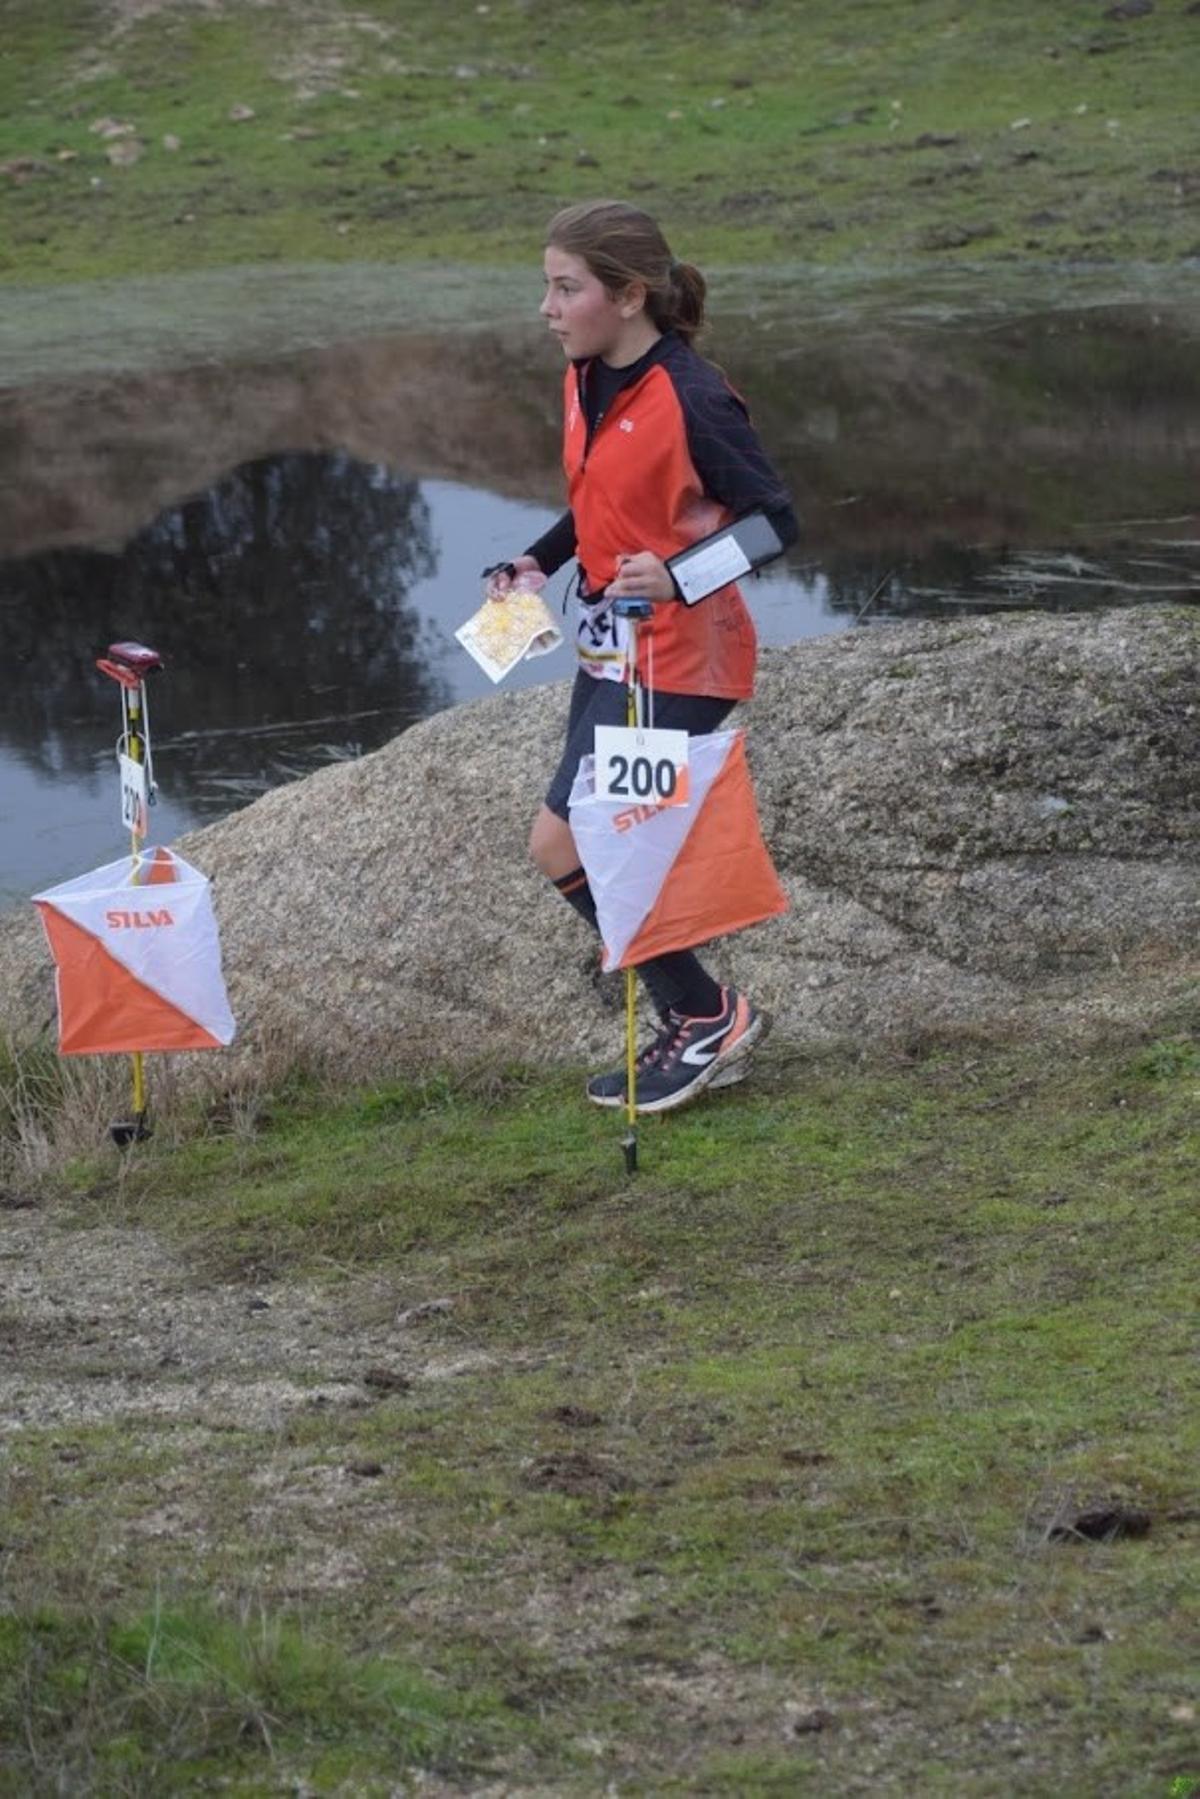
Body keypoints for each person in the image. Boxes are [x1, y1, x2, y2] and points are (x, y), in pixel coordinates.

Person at [488, 199, 798, 1115]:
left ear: (628, 297)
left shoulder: (694, 396)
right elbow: (597, 500)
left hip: (687, 662)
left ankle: (705, 1017)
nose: (547, 306)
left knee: (584, 840)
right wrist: (537, 563)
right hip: (611, 657)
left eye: (565, 287)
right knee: (565, 843)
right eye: (546, 285)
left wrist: (680, 577)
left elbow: (778, 521)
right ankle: (704, 1013)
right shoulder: (585, 375)